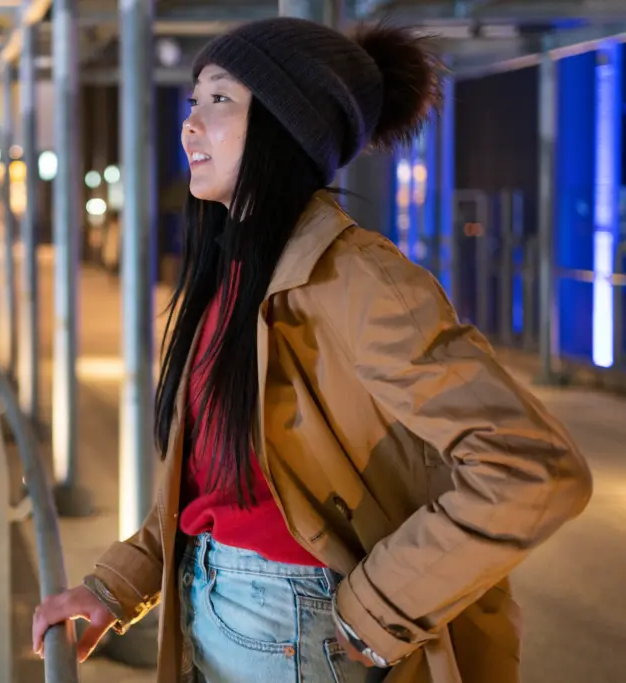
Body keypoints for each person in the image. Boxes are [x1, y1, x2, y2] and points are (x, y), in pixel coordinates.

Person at [32, 18, 592, 683]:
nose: (190, 126)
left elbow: (530, 465)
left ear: (284, 125)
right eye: (193, 101)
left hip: (294, 631)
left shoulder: (355, 277)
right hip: (211, 602)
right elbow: (208, 481)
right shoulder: (235, 269)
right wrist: (116, 586)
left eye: (220, 99)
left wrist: (377, 606)